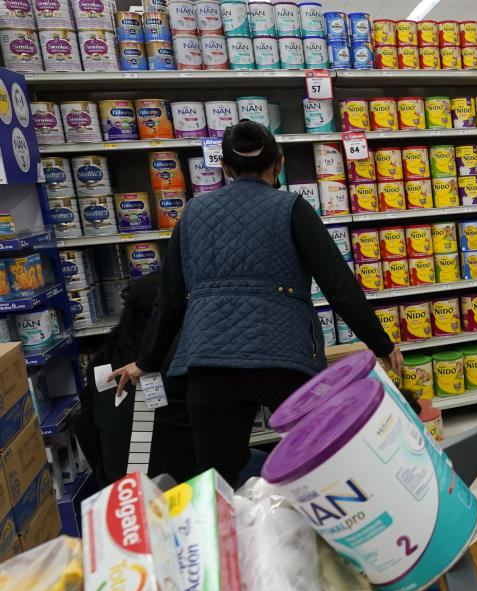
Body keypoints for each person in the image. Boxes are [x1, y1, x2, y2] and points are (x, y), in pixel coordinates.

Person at [111, 120, 403, 486]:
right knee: (321, 467)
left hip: (208, 365)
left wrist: (146, 361)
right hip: (283, 359)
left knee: (218, 480)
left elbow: (168, 301)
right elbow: (339, 287)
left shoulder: (192, 214)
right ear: (279, 163)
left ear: (225, 168)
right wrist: (382, 344)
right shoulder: (292, 208)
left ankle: (234, 539)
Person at [75, 273, 196, 488]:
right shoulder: (180, 355)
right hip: (179, 488)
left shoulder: (103, 362)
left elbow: (86, 430)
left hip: (121, 491)